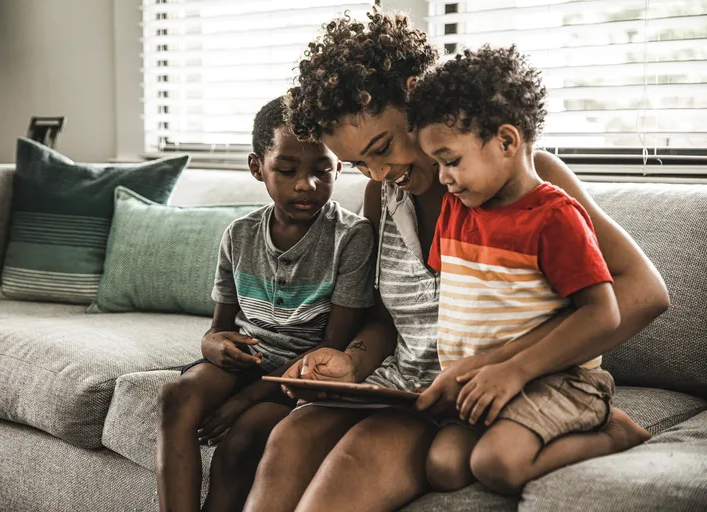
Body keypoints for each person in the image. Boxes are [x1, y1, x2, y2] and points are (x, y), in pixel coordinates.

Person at [245, 11, 668, 512]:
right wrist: (352, 361)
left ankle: (600, 425)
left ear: (414, 93)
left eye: (382, 147)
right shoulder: (385, 197)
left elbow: (643, 292)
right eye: (358, 163)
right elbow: (389, 319)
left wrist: (495, 366)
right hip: (406, 389)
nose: (379, 172)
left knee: (349, 469)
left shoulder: (520, 181)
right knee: (290, 436)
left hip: (490, 396)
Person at [409, 44, 651, 495]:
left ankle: (613, 433)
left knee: (497, 463)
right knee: (443, 468)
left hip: (556, 380)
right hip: (483, 384)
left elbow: (603, 314)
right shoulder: (458, 208)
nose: (443, 177)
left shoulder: (555, 217)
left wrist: (516, 370)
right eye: (438, 163)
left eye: (451, 160)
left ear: (506, 141)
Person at [156, 96, 375, 512]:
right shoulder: (239, 235)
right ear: (258, 167)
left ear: (339, 168)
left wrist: (244, 400)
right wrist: (212, 347)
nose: (305, 184)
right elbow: (218, 329)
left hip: (303, 373)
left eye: (321, 171)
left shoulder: (351, 238)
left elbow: (333, 346)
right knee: (174, 395)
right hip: (246, 361)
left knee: (242, 438)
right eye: (287, 170)